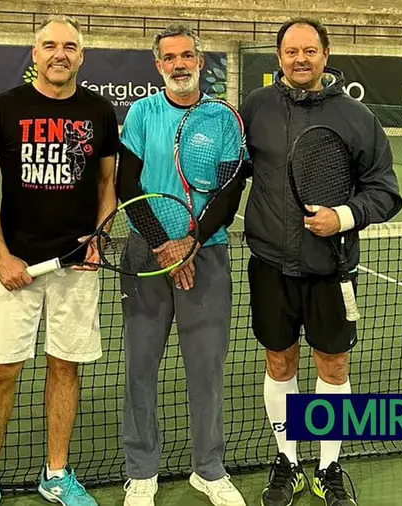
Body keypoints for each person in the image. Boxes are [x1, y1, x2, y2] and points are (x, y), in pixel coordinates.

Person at [239, 17, 402, 506]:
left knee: (332, 366)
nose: (300, 59)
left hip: (332, 268)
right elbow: (234, 172)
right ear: (279, 57)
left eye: (310, 50)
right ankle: (287, 461)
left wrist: (345, 216)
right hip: (270, 263)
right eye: (291, 51)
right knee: (279, 361)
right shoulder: (256, 108)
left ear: (326, 55)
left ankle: (329, 465)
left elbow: (385, 192)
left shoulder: (358, 117)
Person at [0, 14, 119, 506]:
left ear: (81, 56)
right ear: (35, 54)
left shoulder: (99, 111)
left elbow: (107, 185)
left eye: (69, 46)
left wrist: (98, 237)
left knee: (64, 369)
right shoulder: (3, 108)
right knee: (2, 372)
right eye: (49, 45)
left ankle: (55, 473)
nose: (60, 54)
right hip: (17, 269)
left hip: (76, 268)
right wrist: (1, 256)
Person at [116, 24, 249, 506]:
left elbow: (229, 191)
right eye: (169, 57)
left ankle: (208, 469)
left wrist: (190, 243)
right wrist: (163, 247)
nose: (179, 64)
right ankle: (141, 471)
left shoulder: (223, 120)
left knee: (206, 367)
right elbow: (128, 187)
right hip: (145, 254)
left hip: (207, 253)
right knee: (140, 366)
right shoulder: (141, 114)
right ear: (158, 66)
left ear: (200, 60)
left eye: (187, 55)